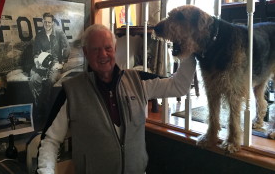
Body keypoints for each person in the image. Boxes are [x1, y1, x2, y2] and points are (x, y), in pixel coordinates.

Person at [36, 24, 196, 174]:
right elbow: (50, 140)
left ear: (115, 49)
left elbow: (179, 86)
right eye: (95, 49)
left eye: (107, 48)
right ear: (86, 53)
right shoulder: (71, 90)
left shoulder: (138, 80)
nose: (103, 55)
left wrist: (190, 50)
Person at [29, 12, 70, 107]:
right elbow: (35, 52)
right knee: (33, 80)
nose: (47, 24)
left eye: (49, 22)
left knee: (50, 81)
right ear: (42, 22)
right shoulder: (39, 35)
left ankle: (45, 105)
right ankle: (39, 103)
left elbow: (67, 48)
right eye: (45, 22)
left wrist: (62, 63)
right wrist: (36, 61)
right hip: (43, 63)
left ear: (52, 23)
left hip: (55, 63)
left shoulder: (59, 33)